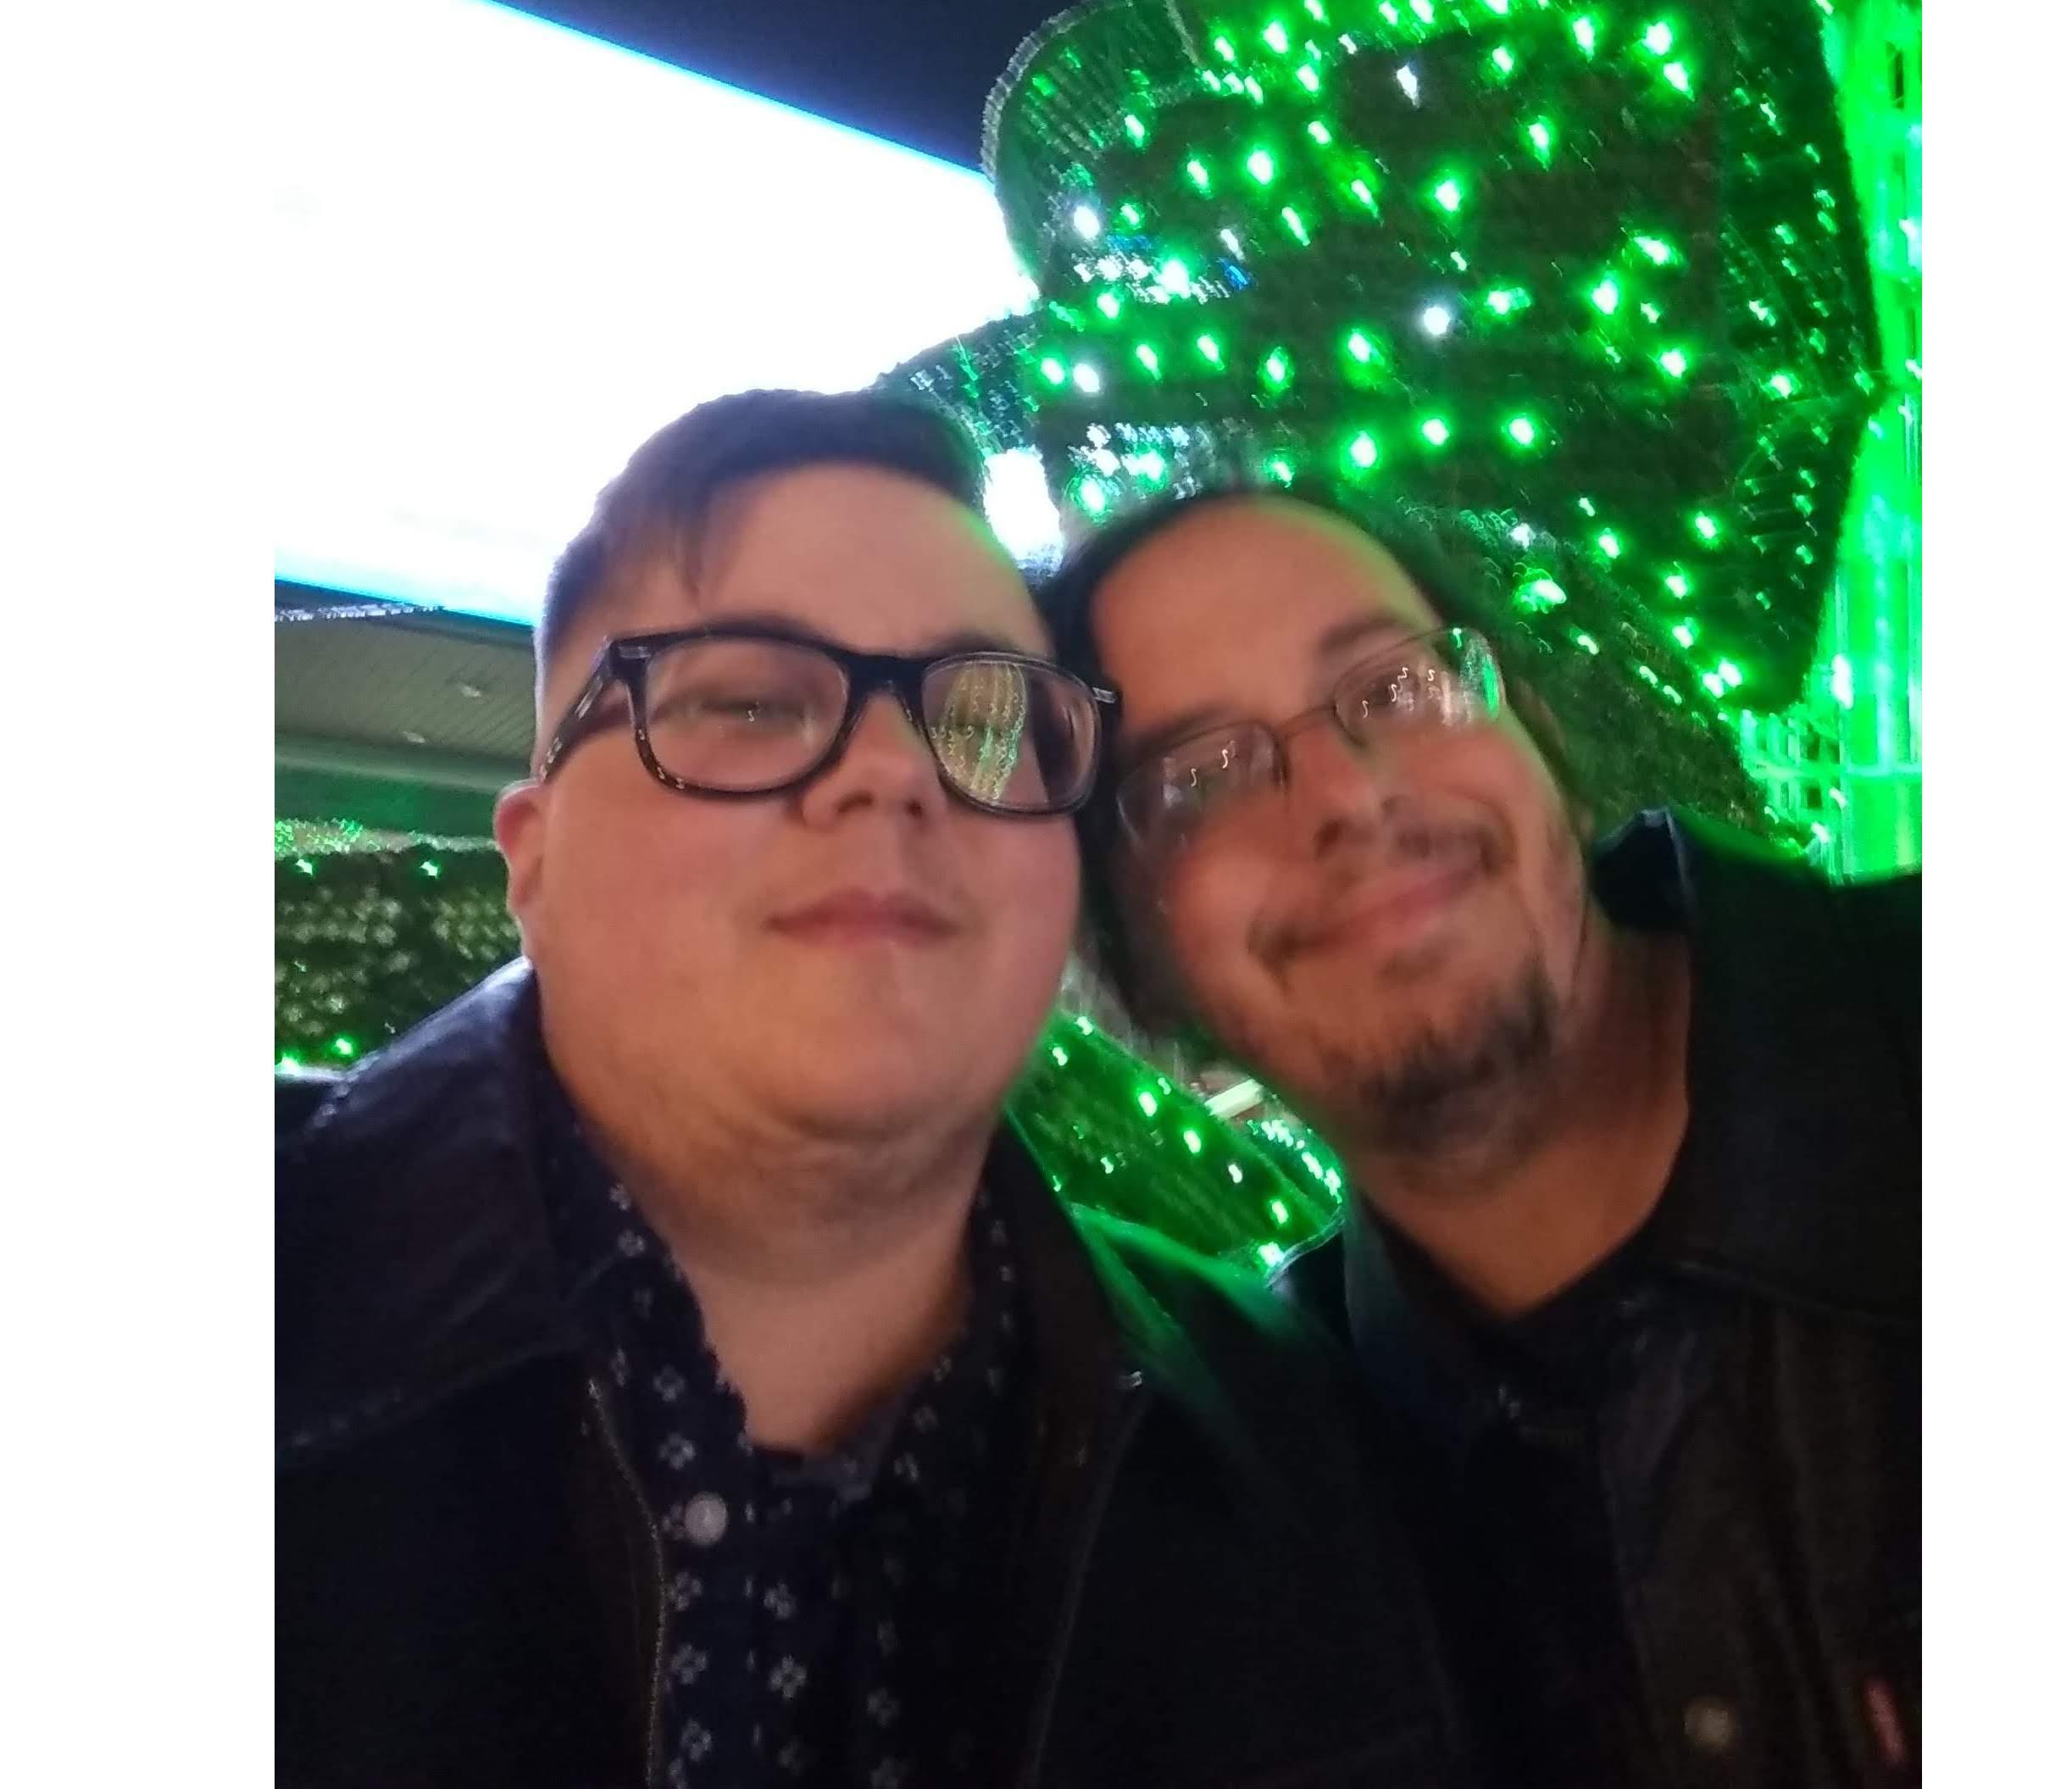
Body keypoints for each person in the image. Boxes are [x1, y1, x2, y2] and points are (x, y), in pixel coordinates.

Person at [275, 395, 1469, 1789]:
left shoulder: (1315, 1446)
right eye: (747, 701)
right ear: (531, 856)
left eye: (983, 717)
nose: (899, 772)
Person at [1041, 480, 1921, 1789]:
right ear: (1135, 977)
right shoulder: (1265, 1520)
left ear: (1536, 727)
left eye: (1395, 688)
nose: (1345, 798)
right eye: (1199, 781)